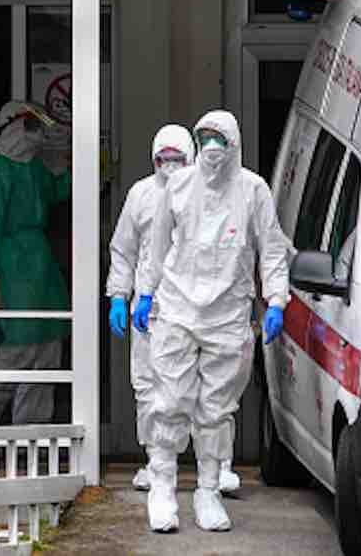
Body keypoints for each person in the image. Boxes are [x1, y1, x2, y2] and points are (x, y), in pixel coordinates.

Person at [134, 110, 290, 534]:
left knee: (216, 411)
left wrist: (276, 299)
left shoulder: (253, 190)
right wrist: (145, 292)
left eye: (220, 138)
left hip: (228, 315)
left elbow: (272, 248)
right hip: (178, 310)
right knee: (169, 402)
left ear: (235, 143)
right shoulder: (179, 185)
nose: (212, 147)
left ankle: (207, 491)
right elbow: (157, 244)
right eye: (205, 138)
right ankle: (162, 487)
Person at [108, 127, 244, 496]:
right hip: (149, 311)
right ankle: (156, 463)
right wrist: (120, 296)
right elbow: (124, 249)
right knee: (150, 388)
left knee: (210, 391)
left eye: (177, 160)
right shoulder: (140, 195)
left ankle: (218, 467)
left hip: (192, 308)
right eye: (162, 160)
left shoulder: (211, 192)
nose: (169, 167)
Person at [0, 101, 71, 432]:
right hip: (12, 269)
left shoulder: (33, 169)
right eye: (31, 127)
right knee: (17, 353)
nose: (36, 136)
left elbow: (56, 192)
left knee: (47, 352)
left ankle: (29, 433)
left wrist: (65, 161)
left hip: (40, 267)